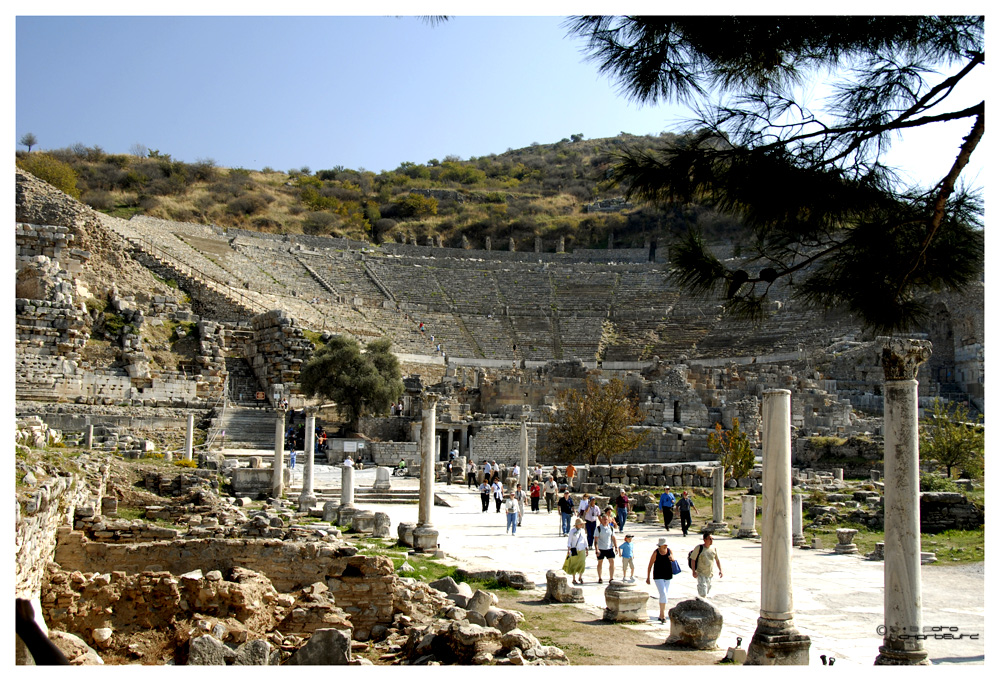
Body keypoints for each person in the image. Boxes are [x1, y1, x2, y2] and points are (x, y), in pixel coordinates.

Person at [646, 537, 675, 623]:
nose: (665, 546)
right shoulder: (656, 552)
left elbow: (674, 559)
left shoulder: (669, 551)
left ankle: (661, 614)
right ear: (660, 545)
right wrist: (648, 577)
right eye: (664, 545)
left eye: (666, 544)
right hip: (658, 575)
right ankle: (662, 615)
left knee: (665, 594)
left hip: (668, 575)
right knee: (663, 593)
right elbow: (650, 564)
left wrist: (672, 558)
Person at [692, 532, 724, 597]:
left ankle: (700, 601)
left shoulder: (714, 548)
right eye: (709, 539)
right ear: (705, 540)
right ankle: (701, 603)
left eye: (712, 539)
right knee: (703, 592)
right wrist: (693, 571)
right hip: (701, 573)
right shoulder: (699, 548)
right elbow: (693, 559)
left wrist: (720, 570)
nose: (711, 540)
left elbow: (717, 560)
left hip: (709, 574)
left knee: (707, 590)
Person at [593, 513, 618, 584]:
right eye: (604, 520)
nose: (605, 521)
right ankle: (600, 577)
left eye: (606, 520)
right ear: (601, 520)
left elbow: (613, 538)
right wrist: (596, 549)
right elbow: (596, 540)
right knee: (600, 562)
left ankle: (611, 577)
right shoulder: (598, 529)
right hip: (601, 548)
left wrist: (616, 547)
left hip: (609, 548)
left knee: (612, 562)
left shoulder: (611, 528)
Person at [563, 518, 589, 584]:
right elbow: (569, 541)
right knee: (574, 564)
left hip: (582, 549)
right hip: (575, 549)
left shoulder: (582, 531)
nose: (581, 525)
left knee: (582, 563)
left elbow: (585, 540)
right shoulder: (572, 531)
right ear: (577, 525)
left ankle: (580, 577)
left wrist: (587, 548)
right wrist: (569, 549)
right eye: (580, 524)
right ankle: (574, 579)